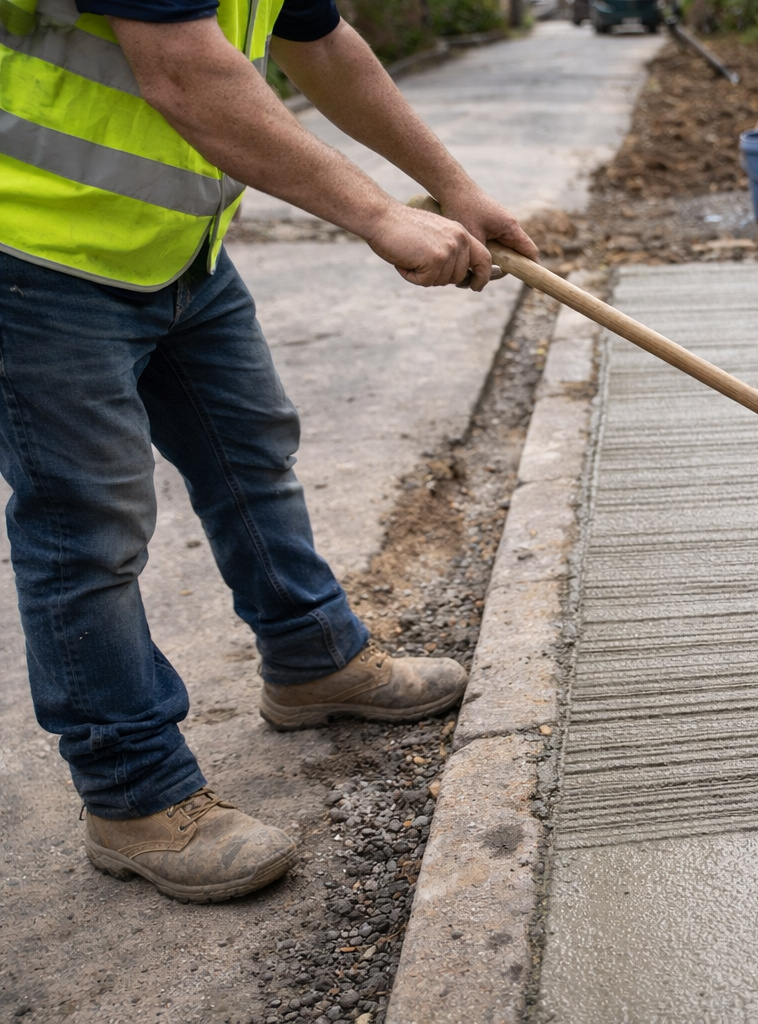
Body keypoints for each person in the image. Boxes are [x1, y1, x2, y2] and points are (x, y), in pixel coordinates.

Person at [0, 0, 537, 902]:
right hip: (36, 253)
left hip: (176, 248)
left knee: (249, 452)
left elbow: (320, 42)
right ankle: (132, 792)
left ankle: (313, 658)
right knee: (88, 526)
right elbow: (186, 75)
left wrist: (450, 183)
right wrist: (377, 214)